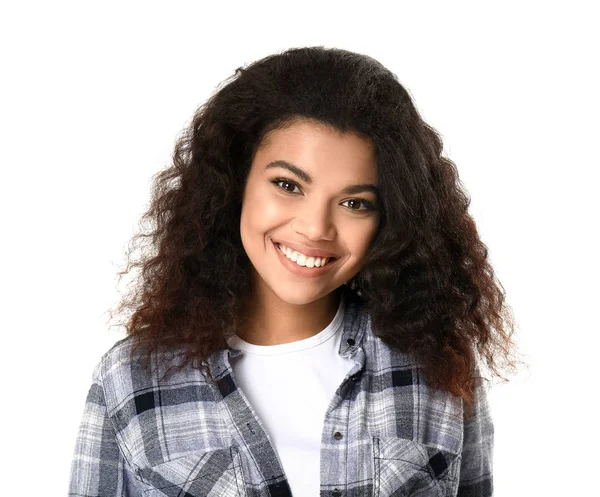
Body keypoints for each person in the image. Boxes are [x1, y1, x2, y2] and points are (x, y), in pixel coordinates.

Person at [68, 46, 520, 497]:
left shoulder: (436, 365)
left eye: (355, 203)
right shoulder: (131, 378)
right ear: (234, 182)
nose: (315, 228)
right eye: (288, 185)